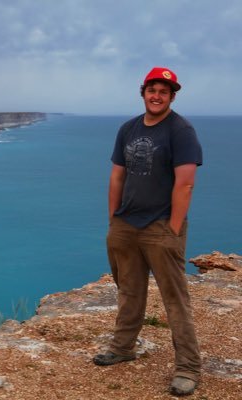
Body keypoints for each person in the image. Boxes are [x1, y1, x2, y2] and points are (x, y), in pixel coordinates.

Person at [93, 67, 202, 396]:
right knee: (128, 289)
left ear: (172, 97)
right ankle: (123, 347)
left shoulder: (180, 130)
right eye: (152, 89)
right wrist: (114, 220)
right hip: (126, 224)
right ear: (143, 93)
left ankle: (188, 368)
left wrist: (172, 229)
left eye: (164, 91)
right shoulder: (128, 128)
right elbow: (117, 175)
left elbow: (185, 183)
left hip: (160, 225)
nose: (157, 95)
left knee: (175, 300)